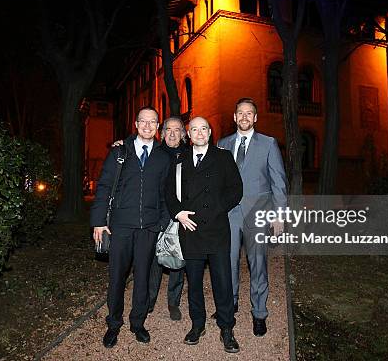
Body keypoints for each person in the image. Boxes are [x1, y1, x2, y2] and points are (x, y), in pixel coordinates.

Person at [91, 106, 171, 349]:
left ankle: (138, 322)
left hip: (148, 228)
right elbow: (104, 187)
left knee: (143, 278)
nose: (147, 126)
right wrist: (98, 222)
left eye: (152, 122)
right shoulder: (119, 153)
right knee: (116, 278)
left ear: (157, 127)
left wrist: (161, 223)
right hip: (120, 227)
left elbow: (166, 194)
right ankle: (113, 324)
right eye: (143, 122)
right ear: (136, 124)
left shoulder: (162, 157)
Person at [165, 116, 243, 353]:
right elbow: (168, 191)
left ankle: (227, 327)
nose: (199, 133)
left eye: (203, 129)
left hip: (217, 230)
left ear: (210, 132)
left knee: (223, 282)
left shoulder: (223, 157)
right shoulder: (180, 159)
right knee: (194, 282)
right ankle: (197, 324)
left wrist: (217, 209)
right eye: (194, 129)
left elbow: (236, 190)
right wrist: (178, 213)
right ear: (188, 135)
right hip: (190, 231)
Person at [217, 98, 288, 337]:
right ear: (234, 117)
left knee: (258, 265)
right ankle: (231, 303)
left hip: (258, 212)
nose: (245, 117)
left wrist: (279, 215)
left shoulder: (268, 144)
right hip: (229, 214)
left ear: (256, 118)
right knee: (228, 262)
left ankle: (259, 313)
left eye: (249, 113)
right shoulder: (222, 144)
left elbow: (279, 181)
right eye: (240, 113)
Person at [112, 116, 188, 321]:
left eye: (177, 130)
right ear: (161, 133)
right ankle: (150, 299)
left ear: (183, 134)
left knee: (178, 257)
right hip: (157, 213)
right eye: (168, 130)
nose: (172, 134)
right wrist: (125, 141)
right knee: (152, 260)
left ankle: (173, 301)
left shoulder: (189, 155)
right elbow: (137, 144)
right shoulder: (156, 152)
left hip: (182, 214)